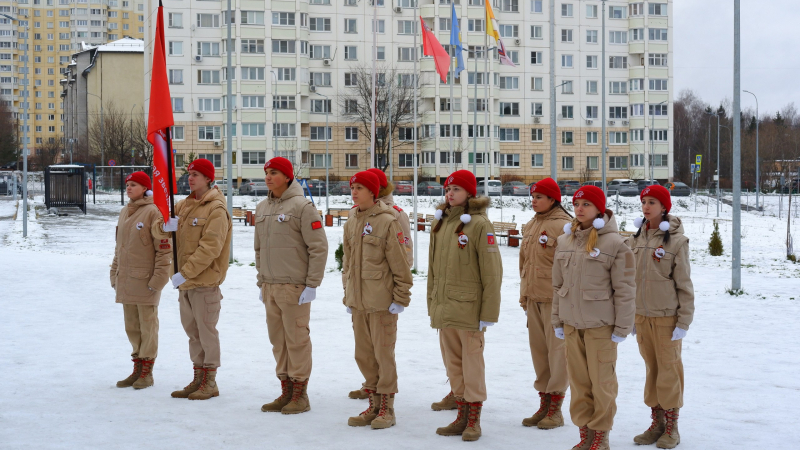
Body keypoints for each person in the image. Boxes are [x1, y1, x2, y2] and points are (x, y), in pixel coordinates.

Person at [551, 185, 635, 450]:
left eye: (586, 204)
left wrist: (622, 326)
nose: (579, 209)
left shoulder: (615, 243)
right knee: (579, 384)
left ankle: (600, 435)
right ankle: (585, 434)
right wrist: (557, 320)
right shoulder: (565, 241)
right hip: (572, 325)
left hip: (601, 327)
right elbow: (557, 286)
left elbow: (625, 289)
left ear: (600, 209)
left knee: (602, 383)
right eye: (576, 204)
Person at [427, 170, 502, 442]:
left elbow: (492, 272)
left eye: (456, 189)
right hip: (445, 307)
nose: (450, 194)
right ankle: (461, 413)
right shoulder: (441, 223)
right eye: (448, 189)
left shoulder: (479, 224)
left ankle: (473, 420)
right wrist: (432, 302)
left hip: (470, 310)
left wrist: (488, 313)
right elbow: (433, 270)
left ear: (470, 193)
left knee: (472, 367)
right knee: (453, 365)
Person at [255, 157, 328, 415]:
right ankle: (286, 390)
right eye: (266, 172)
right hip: (270, 287)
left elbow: (318, 247)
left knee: (296, 340)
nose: (268, 177)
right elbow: (259, 249)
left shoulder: (302, 207)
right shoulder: (262, 207)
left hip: (294, 288)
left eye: (274, 172)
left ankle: (300, 393)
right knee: (278, 342)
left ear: (287, 177)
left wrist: (312, 284)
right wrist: (261, 280)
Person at [342, 170, 413, 430]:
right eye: (352, 187)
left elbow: (400, 264)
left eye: (359, 188)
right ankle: (373, 404)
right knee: (364, 355)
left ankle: (387, 408)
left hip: (381, 301)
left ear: (373, 192)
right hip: (358, 302)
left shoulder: (388, 221)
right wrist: (348, 293)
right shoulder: (351, 221)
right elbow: (347, 262)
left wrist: (401, 297)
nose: (354, 192)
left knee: (384, 355)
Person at [628, 185, 694, 449]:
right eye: (644, 201)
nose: (646, 206)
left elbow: (684, 284)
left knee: (669, 370)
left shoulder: (676, 241)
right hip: (642, 317)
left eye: (652, 202)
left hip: (667, 318)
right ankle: (657, 424)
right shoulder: (636, 238)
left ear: (664, 206)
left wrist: (683, 321)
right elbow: (628, 280)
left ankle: (672, 427)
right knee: (652, 370)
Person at [166, 158, 232, 401]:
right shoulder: (184, 205)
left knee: (206, 332)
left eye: (196, 174)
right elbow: (161, 229)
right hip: (185, 283)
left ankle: (210, 381)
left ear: (208, 178)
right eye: (189, 174)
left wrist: (185, 272)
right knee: (193, 333)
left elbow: (210, 248)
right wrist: (165, 226)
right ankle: (198, 377)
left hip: (204, 283)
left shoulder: (216, 209)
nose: (190, 178)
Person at [518, 177, 572, 429]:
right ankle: (544, 404)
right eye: (533, 196)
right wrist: (524, 295)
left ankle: (556, 409)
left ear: (553, 199)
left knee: (558, 356)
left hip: (555, 301)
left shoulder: (564, 226)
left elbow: (570, 267)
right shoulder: (532, 224)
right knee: (539, 355)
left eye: (539, 197)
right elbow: (524, 264)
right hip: (534, 299)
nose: (534, 201)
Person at [111, 171, 172, 390]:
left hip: (146, 281)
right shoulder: (124, 211)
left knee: (148, 327)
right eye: (127, 184)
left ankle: (147, 371)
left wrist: (158, 280)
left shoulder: (154, 212)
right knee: (132, 327)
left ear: (145, 188)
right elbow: (119, 247)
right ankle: (137, 367)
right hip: (126, 280)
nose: (128, 188)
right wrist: (114, 272)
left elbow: (164, 250)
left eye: (134, 185)